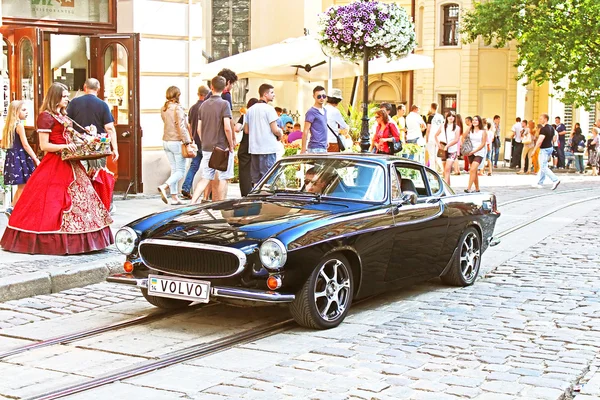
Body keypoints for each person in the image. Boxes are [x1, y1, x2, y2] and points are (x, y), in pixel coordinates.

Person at [0, 82, 113, 254]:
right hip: (55, 164)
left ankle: (84, 240)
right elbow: (45, 146)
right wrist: (64, 148)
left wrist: (86, 136)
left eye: (67, 96)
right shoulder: (46, 116)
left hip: (71, 162)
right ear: (56, 97)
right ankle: (52, 241)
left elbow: (70, 137)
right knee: (52, 202)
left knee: (83, 200)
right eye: (65, 96)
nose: (68, 100)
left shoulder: (63, 116)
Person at [66, 78, 119, 212]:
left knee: (80, 175)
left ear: (84, 87)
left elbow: (67, 124)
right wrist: (115, 149)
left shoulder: (74, 103)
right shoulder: (103, 105)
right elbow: (110, 128)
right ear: (98, 88)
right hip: (98, 147)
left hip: (79, 146)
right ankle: (102, 204)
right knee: (99, 175)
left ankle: (82, 205)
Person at [191, 76, 234, 203]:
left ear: (212, 87)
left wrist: (204, 141)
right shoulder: (224, 104)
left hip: (207, 146)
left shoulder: (203, 105)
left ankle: (192, 203)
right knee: (223, 177)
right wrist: (231, 144)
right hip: (222, 146)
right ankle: (221, 204)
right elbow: (227, 127)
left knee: (205, 177)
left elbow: (199, 129)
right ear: (225, 86)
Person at [1, 100, 39, 213]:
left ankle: (12, 207)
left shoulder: (9, 127)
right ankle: (16, 209)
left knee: (21, 186)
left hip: (12, 158)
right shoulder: (19, 126)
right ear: (15, 112)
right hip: (20, 157)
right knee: (23, 186)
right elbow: (26, 145)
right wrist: (36, 158)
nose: (26, 112)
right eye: (23, 110)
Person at [158, 86, 193, 205]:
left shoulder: (164, 108)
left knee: (174, 169)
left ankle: (174, 197)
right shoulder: (178, 109)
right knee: (181, 170)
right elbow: (181, 127)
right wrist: (187, 142)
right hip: (177, 141)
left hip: (166, 141)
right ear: (177, 95)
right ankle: (164, 186)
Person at [244, 83, 282, 186]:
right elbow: (275, 129)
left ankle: (257, 199)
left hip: (254, 149)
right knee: (269, 179)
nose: (274, 95)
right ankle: (266, 200)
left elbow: (246, 130)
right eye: (272, 92)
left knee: (256, 180)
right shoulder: (269, 109)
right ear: (265, 94)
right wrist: (280, 134)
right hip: (267, 149)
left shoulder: (250, 110)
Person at [181, 85, 209, 199]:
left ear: (198, 94)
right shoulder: (206, 107)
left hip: (195, 140)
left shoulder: (192, 108)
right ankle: (208, 193)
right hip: (206, 140)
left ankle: (186, 187)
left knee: (194, 166)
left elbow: (190, 124)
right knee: (209, 168)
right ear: (207, 95)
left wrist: (191, 137)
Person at [236, 98, 258, 196]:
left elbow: (236, 128)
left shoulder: (245, 115)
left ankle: (245, 193)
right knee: (256, 169)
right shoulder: (259, 117)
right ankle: (255, 190)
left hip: (245, 146)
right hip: (257, 146)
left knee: (244, 171)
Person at [532, 113, 561, 189]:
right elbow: (554, 138)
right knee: (543, 165)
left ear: (545, 119)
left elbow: (540, 141)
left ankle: (555, 179)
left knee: (543, 166)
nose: (540, 120)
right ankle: (540, 182)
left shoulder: (543, 129)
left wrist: (534, 150)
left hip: (544, 149)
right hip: (550, 147)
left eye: (541, 119)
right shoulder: (551, 128)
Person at [435, 111, 460, 185]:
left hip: (452, 150)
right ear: (446, 117)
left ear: (455, 118)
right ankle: (449, 186)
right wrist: (438, 144)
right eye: (449, 116)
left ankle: (445, 188)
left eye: (452, 116)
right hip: (443, 150)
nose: (451, 117)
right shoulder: (442, 126)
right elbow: (435, 135)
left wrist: (448, 146)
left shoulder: (457, 128)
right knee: (446, 170)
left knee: (447, 168)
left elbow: (456, 139)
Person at [302, 86, 329, 153]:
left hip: (323, 146)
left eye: (324, 96)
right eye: (319, 96)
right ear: (314, 96)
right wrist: (303, 149)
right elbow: (305, 131)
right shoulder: (311, 112)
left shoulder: (325, 110)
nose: (322, 98)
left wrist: (326, 141)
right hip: (315, 147)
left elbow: (323, 127)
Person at [465, 115, 487, 193]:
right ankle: (477, 188)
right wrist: (469, 127)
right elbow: (464, 136)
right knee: (474, 171)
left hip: (479, 152)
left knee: (472, 169)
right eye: (473, 120)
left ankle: (469, 188)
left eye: (476, 120)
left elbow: (483, 143)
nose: (474, 121)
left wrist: (474, 151)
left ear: (479, 122)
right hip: (470, 151)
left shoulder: (483, 132)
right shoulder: (470, 130)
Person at [425, 103, 444, 171]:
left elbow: (428, 129)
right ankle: (442, 169)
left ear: (431, 107)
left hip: (431, 137)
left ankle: (433, 170)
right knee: (437, 155)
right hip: (439, 138)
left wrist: (426, 138)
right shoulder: (441, 116)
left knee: (431, 155)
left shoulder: (431, 117)